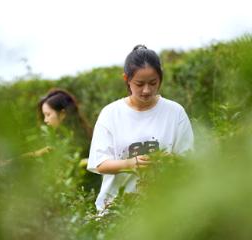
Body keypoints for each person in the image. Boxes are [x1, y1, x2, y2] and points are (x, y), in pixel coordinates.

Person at [87, 45, 194, 212]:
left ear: (161, 78)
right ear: (126, 79)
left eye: (153, 83)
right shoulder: (110, 114)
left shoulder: (175, 112)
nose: (146, 90)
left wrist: (171, 159)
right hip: (117, 210)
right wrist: (130, 163)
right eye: (139, 84)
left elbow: (189, 159)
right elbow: (100, 163)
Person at [38, 88, 101, 191]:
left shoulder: (74, 142)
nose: (45, 120)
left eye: (48, 114)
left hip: (85, 196)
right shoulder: (77, 133)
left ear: (62, 114)